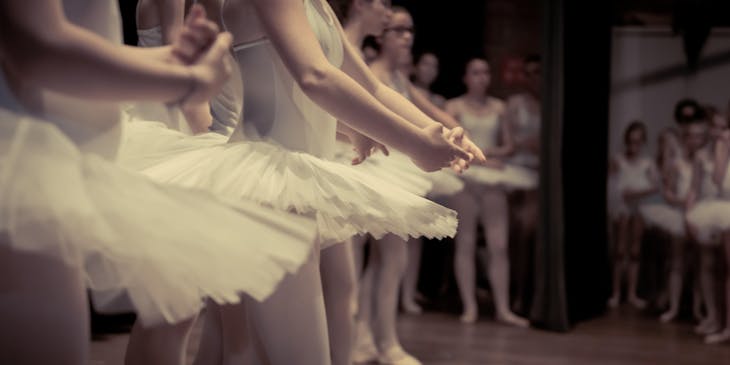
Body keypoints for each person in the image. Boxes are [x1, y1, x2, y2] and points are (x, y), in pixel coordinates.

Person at [0, 3, 318, 365]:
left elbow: (76, 39)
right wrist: (187, 82)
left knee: (177, 308)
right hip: (28, 171)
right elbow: (37, 45)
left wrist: (173, 61)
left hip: (59, 163)